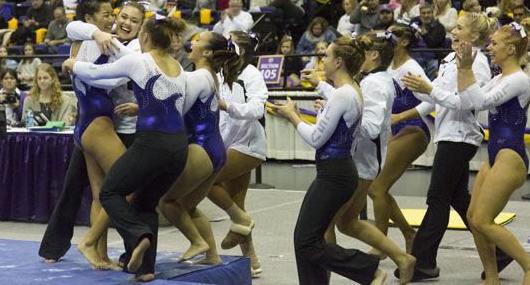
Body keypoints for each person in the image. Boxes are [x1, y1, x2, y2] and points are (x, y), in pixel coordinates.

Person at [404, 21, 530, 284]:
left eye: (495, 44)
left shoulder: (518, 80)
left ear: (511, 49)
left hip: (510, 156)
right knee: (472, 216)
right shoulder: (499, 78)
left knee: (482, 219)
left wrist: (466, 69)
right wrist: (428, 87)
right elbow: (464, 102)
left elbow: (479, 103)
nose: (490, 48)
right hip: (494, 156)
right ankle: (491, 275)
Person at [63, 16, 189, 282]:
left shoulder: (139, 60)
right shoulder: (177, 66)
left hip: (152, 143)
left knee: (110, 191)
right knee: (145, 203)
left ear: (144, 37)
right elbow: (174, 104)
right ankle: (146, 270)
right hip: (179, 147)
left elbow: (97, 75)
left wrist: (74, 64)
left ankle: (137, 235)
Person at [394, 13, 509, 281]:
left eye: (459, 27)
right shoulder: (449, 60)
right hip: (448, 135)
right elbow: (435, 98)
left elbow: (465, 102)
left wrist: (429, 89)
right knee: (459, 201)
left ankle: (422, 262)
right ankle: (502, 252)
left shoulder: (476, 64)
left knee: (437, 199)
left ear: (474, 37)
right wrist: (416, 89)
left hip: (460, 137)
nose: (453, 31)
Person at [272, 37, 387, 285]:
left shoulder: (344, 94)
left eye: (326, 56)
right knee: (306, 238)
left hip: (335, 175)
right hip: (336, 172)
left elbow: (316, 138)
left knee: (307, 241)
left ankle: (369, 270)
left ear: (338, 61)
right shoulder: (351, 91)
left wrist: (292, 116)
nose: (321, 60)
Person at [39, 0, 146, 264]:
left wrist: (75, 65)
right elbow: (74, 27)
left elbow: (76, 32)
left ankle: (102, 254)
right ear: (91, 18)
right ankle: (91, 245)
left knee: (101, 194)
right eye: (113, 15)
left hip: (96, 122)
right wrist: (96, 33)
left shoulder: (120, 44)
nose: (116, 21)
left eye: (133, 20)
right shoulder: (94, 39)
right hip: (98, 123)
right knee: (127, 188)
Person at [160, 31, 240, 264]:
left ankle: (197, 242)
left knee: (166, 202)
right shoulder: (208, 75)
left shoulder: (198, 77)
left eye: (198, 40)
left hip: (202, 147)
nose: (191, 41)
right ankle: (212, 255)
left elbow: (178, 108)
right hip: (215, 149)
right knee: (188, 205)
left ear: (207, 52)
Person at [207, 31, 267, 277]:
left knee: (205, 179)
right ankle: (252, 261)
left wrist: (226, 106)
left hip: (250, 144)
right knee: (238, 204)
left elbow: (256, 108)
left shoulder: (252, 74)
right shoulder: (222, 74)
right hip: (229, 142)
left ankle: (240, 219)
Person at [368, 24, 428, 258]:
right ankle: (408, 233)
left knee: (377, 188)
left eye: (394, 33)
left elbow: (431, 100)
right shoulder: (389, 65)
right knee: (375, 190)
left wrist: (400, 116)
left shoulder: (411, 68)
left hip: (413, 129)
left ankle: (381, 246)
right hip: (393, 131)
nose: (388, 36)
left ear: (404, 41)